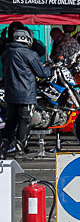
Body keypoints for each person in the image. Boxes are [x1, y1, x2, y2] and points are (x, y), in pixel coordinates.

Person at [1, 28, 50, 158]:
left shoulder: (7, 52)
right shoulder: (29, 53)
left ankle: (3, 148)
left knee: (10, 123)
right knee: (24, 122)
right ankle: (19, 150)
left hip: (10, 94)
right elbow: (42, 73)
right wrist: (50, 68)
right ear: (27, 38)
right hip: (26, 94)